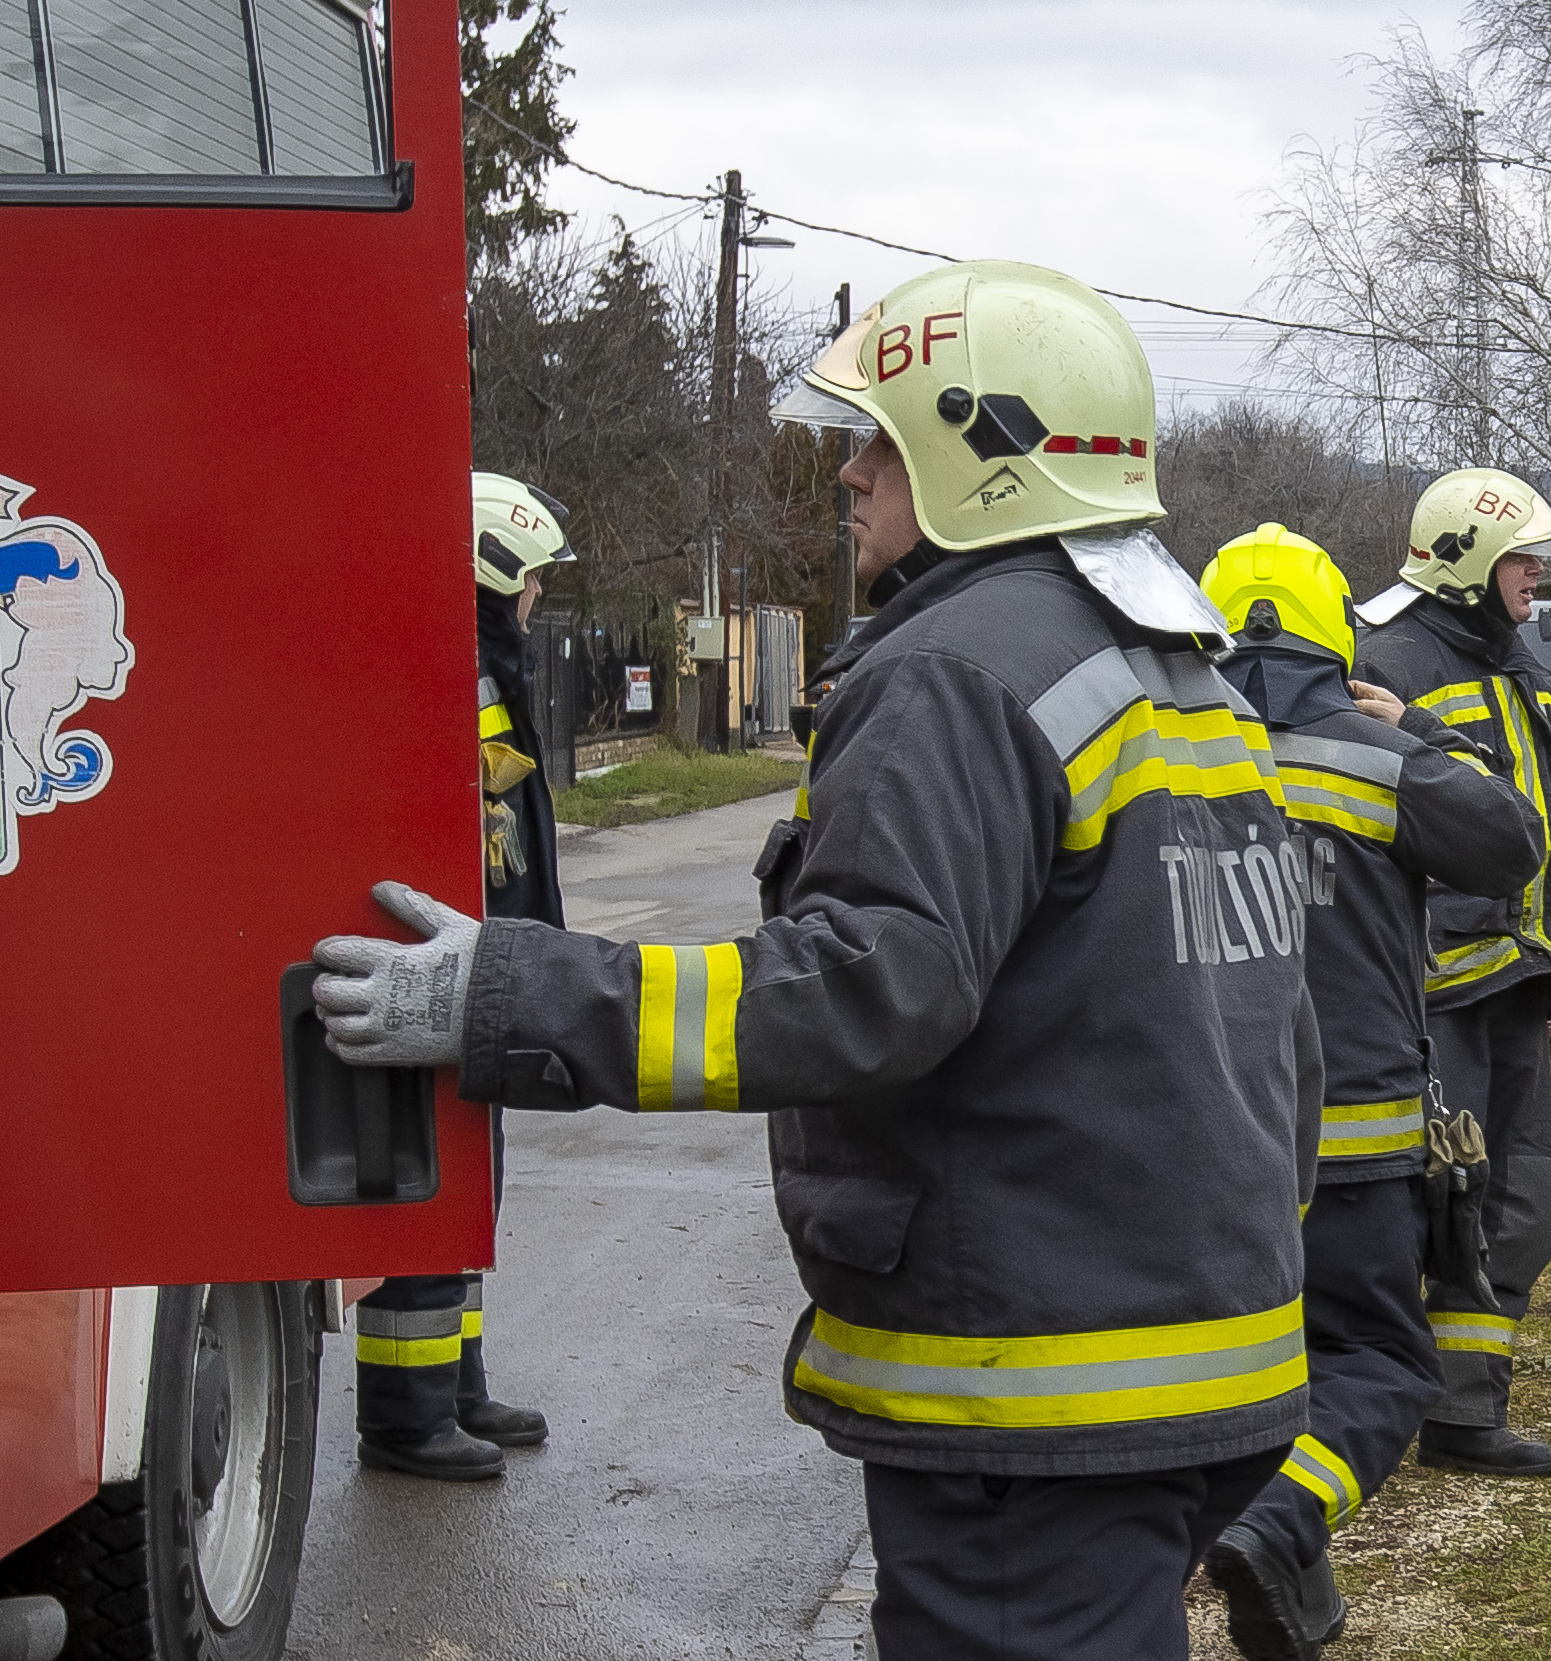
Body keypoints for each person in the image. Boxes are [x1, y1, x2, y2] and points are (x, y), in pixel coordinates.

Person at [311, 261, 1317, 1659]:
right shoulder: (1180, 671)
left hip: (1034, 1401)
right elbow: (1277, 1031)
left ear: (985, 459)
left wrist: (512, 989)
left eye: (877, 442)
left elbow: (860, 987)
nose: (846, 473)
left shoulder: (957, 675)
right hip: (1199, 1362)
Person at [1195, 526, 1543, 1659]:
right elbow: (1512, 844)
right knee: (1386, 1365)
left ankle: (1282, 1577)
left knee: (1247, 1371)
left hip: (1210, 1146)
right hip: (1356, 1140)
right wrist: (1423, 727)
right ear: (1333, 631)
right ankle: (1277, 1520)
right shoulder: (1372, 756)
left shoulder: (1164, 754)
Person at [1350, 468, 1551, 1479]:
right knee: (1443, 1197)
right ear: (1464, 565)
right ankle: (1392, 1402)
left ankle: (1463, 1410)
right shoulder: (1383, 661)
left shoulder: (1517, 662)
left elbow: (1544, 832)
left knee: (1522, 1201)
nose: (1535, 573)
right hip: (1432, 987)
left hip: (1515, 979)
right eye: (1520, 557)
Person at [350, 472, 574, 1482]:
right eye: (532, 580)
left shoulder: (483, 672)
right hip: (435, 971)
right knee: (429, 1188)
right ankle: (406, 1415)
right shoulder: (447, 674)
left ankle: (456, 1384)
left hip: (480, 964)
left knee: (468, 1184)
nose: (538, 601)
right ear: (492, 566)